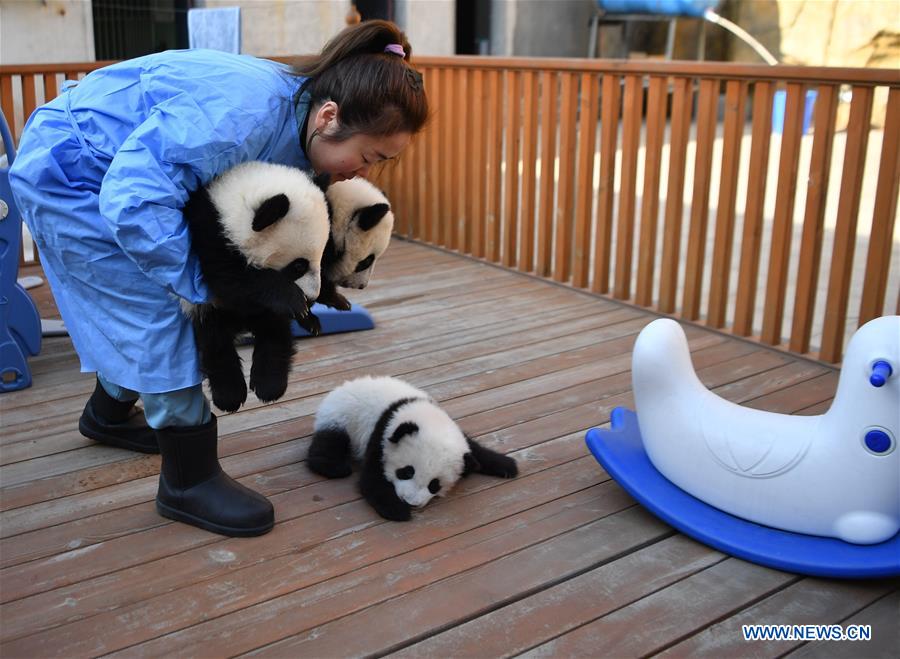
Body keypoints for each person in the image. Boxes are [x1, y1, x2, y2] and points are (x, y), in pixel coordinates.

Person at [9, 20, 428, 538]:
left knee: (164, 297)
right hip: (75, 172)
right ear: (329, 117)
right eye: (368, 157)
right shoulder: (243, 114)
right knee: (158, 310)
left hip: (126, 173)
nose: (363, 173)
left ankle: (108, 414)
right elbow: (134, 202)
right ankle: (188, 482)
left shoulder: (298, 118)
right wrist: (207, 288)